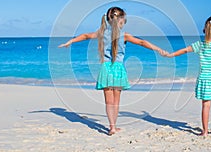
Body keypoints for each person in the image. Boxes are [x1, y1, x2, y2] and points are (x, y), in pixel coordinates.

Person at [59, 7, 167, 135]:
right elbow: (142, 42)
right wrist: (158, 49)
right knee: (116, 102)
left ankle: (112, 127)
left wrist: (70, 41)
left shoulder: (101, 33)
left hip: (106, 69)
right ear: (120, 20)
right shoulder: (125, 35)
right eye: (124, 19)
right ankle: (114, 126)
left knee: (108, 102)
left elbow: (85, 36)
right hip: (119, 69)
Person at [165, 16, 211, 136]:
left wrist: (171, 55)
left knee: (206, 105)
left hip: (205, 80)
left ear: (206, 29)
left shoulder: (200, 45)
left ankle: (204, 131)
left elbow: (184, 50)